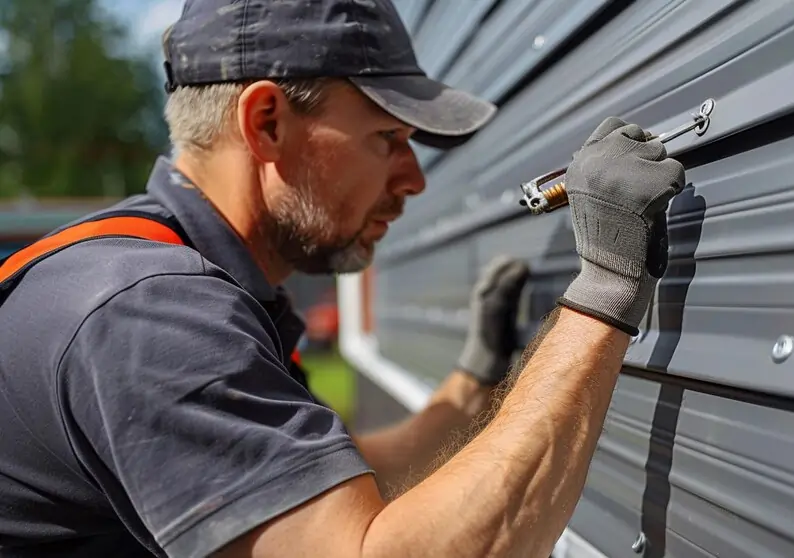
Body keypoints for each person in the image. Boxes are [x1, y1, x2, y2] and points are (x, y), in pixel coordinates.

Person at [0, 0, 686, 557]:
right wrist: (605, 290)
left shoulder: (172, 272)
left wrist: (472, 378)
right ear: (267, 122)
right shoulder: (150, 314)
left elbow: (338, 483)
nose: (415, 180)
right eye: (387, 139)